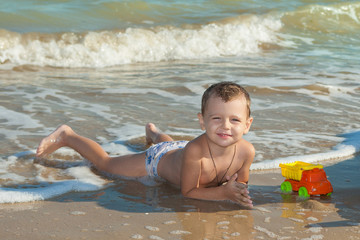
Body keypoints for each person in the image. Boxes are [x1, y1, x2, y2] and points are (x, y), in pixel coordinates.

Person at [36, 82, 254, 207]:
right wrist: (223, 193)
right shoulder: (196, 152)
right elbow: (188, 192)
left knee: (169, 145)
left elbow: (240, 186)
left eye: (234, 120)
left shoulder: (247, 151)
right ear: (202, 120)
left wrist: (236, 191)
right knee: (105, 164)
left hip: (176, 150)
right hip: (157, 160)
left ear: (247, 125)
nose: (225, 126)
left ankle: (154, 132)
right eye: (216, 118)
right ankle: (68, 136)